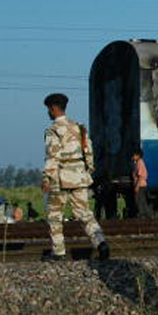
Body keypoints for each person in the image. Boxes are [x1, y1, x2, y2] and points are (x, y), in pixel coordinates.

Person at [42, 93, 109, 261]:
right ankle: (101, 244)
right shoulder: (79, 128)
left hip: (60, 179)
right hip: (79, 177)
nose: (48, 113)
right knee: (85, 213)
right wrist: (87, 171)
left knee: (54, 216)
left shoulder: (53, 131)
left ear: (53, 108)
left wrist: (46, 178)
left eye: (48, 110)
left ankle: (59, 253)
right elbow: (89, 151)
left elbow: (53, 156)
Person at [131, 149, 153, 219]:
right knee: (142, 201)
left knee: (139, 201)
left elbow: (140, 176)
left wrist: (137, 186)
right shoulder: (137, 162)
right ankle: (147, 215)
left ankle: (143, 215)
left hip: (141, 185)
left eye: (134, 155)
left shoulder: (140, 163)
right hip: (141, 184)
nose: (132, 156)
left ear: (138, 155)